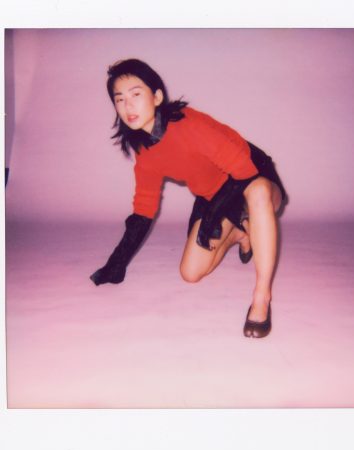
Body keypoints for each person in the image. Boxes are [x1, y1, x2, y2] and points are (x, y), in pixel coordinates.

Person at [90, 58, 287, 338]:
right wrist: (116, 263)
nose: (128, 106)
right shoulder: (144, 152)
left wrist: (213, 217)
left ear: (157, 97)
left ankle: (262, 296)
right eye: (119, 99)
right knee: (191, 273)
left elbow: (244, 171)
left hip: (252, 178)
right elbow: (143, 210)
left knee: (258, 193)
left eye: (136, 95)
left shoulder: (189, 125)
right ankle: (241, 232)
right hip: (214, 197)